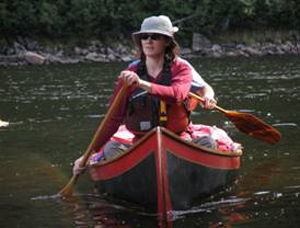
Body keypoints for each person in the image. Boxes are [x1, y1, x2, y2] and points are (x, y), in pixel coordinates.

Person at [73, 15, 217, 175]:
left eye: (155, 37)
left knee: (208, 143)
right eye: (144, 37)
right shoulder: (129, 74)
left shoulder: (182, 69)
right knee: (111, 148)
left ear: (167, 41)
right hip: (140, 142)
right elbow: (113, 119)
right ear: (140, 41)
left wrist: (141, 83)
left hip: (178, 139)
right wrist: (89, 154)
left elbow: (177, 95)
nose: (148, 41)